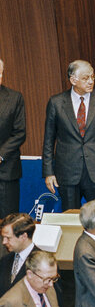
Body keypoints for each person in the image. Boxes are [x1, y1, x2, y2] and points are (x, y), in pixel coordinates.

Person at [42, 60, 95, 210]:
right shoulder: (56, 102)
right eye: (85, 78)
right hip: (67, 172)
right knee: (70, 217)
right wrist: (48, 173)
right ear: (73, 80)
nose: (91, 81)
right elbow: (48, 140)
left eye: (92, 76)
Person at [0, 59, 26, 218]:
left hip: (6, 171)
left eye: (0, 73)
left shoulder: (14, 98)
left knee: (7, 224)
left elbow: (20, 132)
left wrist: (0, 155)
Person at [0, 214, 37, 297]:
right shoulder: (5, 261)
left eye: (8, 238)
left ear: (24, 236)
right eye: (3, 238)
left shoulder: (43, 262)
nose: (4, 242)